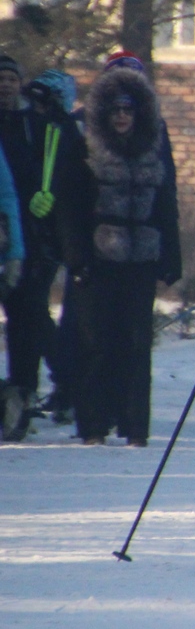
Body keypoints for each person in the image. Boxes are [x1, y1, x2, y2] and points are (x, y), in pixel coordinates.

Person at [58, 64, 180, 445]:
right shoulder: (85, 147)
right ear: (104, 114)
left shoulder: (153, 147)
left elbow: (166, 203)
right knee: (96, 343)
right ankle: (93, 425)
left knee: (137, 343)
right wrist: (77, 258)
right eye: (116, 110)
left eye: (129, 110)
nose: (123, 117)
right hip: (97, 259)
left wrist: (170, 256)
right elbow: (70, 209)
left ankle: (135, 427)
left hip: (140, 259)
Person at [22, 70, 83, 425]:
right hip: (33, 229)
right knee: (31, 313)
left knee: (38, 310)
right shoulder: (32, 127)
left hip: (52, 232)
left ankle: (67, 380)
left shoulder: (62, 130)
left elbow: (65, 179)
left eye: (43, 100)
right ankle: (56, 382)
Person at [0, 54, 55, 439]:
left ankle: (23, 396)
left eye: (10, 79)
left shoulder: (31, 125)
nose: (5, 85)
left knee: (27, 323)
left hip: (22, 239)